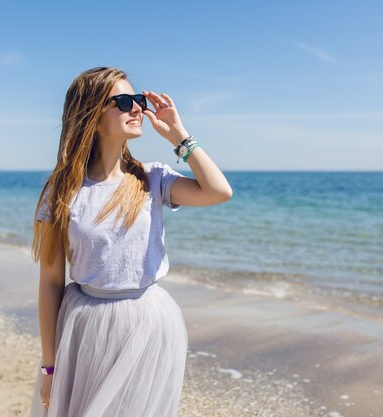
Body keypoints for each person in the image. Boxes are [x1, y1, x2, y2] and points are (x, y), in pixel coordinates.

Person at [29, 66, 233, 417]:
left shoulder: (152, 178)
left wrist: (180, 137)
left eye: (137, 99)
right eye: (123, 101)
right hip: (86, 325)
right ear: (91, 114)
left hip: (149, 322)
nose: (137, 108)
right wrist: (49, 367)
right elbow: (50, 282)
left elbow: (218, 191)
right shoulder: (61, 191)